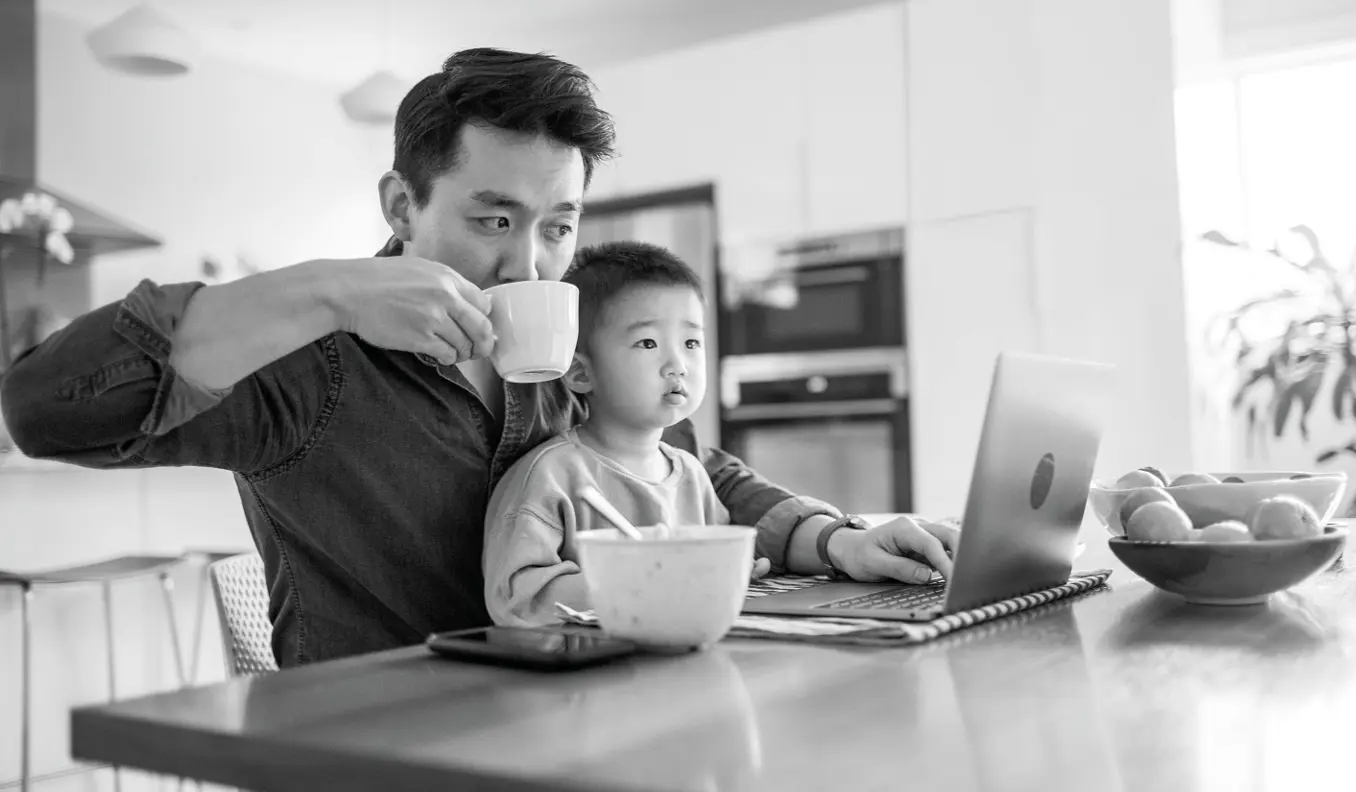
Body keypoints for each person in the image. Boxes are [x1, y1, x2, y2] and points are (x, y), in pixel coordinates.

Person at [0, 47, 957, 667]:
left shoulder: (566, 345)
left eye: (559, 226)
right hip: (388, 755)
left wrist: (836, 539)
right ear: (400, 205)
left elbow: (689, 466)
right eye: (493, 218)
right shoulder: (311, 359)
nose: (525, 262)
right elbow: (43, 407)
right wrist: (332, 289)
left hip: (582, 722)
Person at [485, 241, 736, 625]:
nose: (678, 365)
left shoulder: (693, 475)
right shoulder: (551, 476)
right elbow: (519, 600)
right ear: (582, 373)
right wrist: (645, 584)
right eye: (648, 342)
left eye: (691, 343)